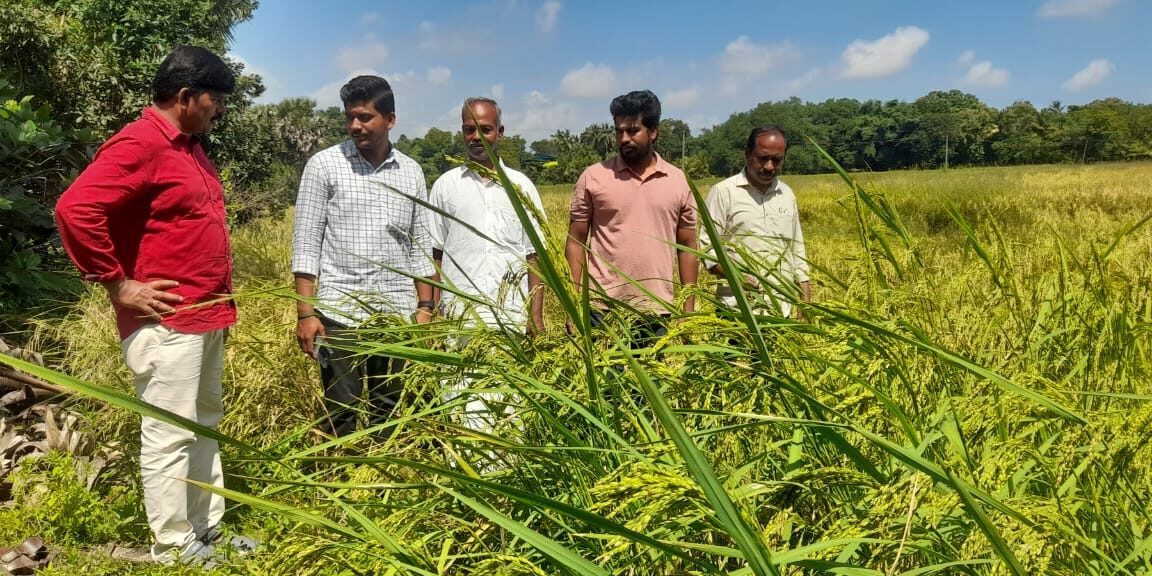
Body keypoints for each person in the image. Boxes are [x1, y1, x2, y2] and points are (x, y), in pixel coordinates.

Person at [54, 45, 254, 566]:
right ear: (186, 96)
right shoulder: (140, 143)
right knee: (170, 431)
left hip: (205, 315)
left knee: (203, 421)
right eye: (215, 99)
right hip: (167, 322)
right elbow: (75, 209)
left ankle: (206, 530)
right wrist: (118, 284)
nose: (220, 109)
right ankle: (172, 545)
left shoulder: (189, 146)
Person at [291, 75, 436, 438]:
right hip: (341, 314)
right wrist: (306, 314)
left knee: (388, 411)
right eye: (350, 117)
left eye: (365, 117)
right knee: (341, 411)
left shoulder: (411, 172)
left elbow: (419, 246)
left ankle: (379, 483)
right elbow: (306, 244)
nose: (355, 126)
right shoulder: (325, 165)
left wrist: (425, 309)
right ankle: (338, 484)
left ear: (390, 119)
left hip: (395, 313)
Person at [428, 97, 546, 434]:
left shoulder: (522, 187)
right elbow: (434, 255)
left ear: (500, 132)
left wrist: (535, 317)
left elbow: (533, 258)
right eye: (469, 130)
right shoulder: (446, 187)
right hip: (458, 318)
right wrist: (434, 315)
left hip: (509, 316)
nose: (477, 137)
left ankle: (508, 476)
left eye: (485, 129)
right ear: (462, 133)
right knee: (460, 402)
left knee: (509, 406)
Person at [565, 89, 698, 344]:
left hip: (657, 309)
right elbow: (576, 241)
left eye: (633, 130)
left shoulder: (677, 180)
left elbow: (688, 246)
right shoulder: (594, 177)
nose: (623, 138)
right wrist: (573, 300)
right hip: (601, 309)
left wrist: (688, 309)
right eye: (619, 130)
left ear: (654, 131)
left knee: (653, 383)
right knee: (605, 383)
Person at [701, 126, 810, 318]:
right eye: (762, 158)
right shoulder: (723, 192)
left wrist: (804, 294)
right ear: (747, 154)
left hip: (780, 311)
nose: (769, 166)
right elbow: (707, 249)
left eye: (777, 160)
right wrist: (735, 275)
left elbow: (796, 248)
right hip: (736, 311)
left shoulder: (787, 195)